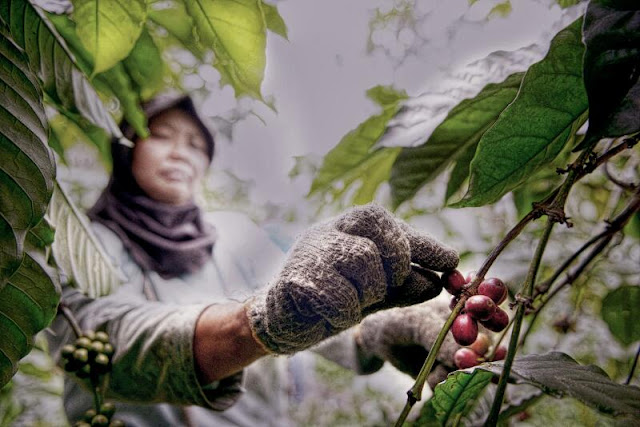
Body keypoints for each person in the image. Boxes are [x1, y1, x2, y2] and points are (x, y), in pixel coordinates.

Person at [48, 93, 461, 426]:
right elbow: (98, 341)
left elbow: (302, 298)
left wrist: (373, 328)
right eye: (161, 135)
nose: (180, 153)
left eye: (195, 145)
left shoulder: (234, 235)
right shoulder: (83, 241)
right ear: (127, 147)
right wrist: (252, 327)